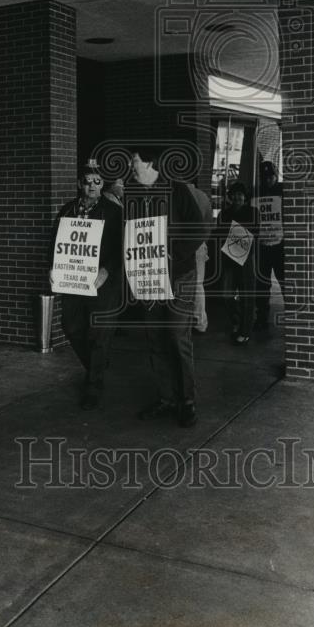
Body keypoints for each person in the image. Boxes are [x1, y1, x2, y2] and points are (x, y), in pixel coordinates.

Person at [125, 148, 211, 428]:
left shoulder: (176, 189)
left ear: (148, 163)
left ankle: (187, 401)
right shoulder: (133, 194)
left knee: (177, 336)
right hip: (149, 277)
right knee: (155, 338)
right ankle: (166, 398)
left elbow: (199, 228)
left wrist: (176, 254)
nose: (130, 166)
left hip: (178, 276)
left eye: (134, 161)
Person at [50, 162, 123, 409]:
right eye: (88, 181)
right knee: (70, 325)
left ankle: (94, 385)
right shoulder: (67, 211)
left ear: (103, 185)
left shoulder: (113, 212)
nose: (92, 186)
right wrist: (53, 268)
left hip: (103, 282)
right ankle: (97, 366)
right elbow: (56, 243)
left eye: (97, 181)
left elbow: (121, 248)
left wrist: (107, 270)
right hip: (74, 279)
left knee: (98, 333)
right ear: (79, 184)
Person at [217, 181, 259, 345]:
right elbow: (219, 234)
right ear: (230, 197)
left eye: (241, 194)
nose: (237, 197)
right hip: (229, 257)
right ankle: (237, 320)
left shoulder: (252, 212)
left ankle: (245, 330)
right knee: (226, 294)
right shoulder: (224, 213)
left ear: (245, 197)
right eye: (235, 194)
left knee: (247, 296)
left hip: (246, 257)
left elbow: (255, 232)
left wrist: (233, 234)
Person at [255, 160, 286, 330]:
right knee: (262, 284)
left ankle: (290, 313)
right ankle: (261, 317)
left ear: (275, 175)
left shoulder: (283, 191)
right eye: (265, 177)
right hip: (263, 245)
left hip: (279, 244)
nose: (268, 180)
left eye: (270, 177)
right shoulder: (258, 192)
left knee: (283, 281)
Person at [186, 180, 212, 334]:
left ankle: (187, 320)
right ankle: (200, 322)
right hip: (200, 244)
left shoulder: (177, 195)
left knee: (182, 283)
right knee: (198, 284)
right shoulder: (203, 196)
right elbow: (209, 223)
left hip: (182, 244)